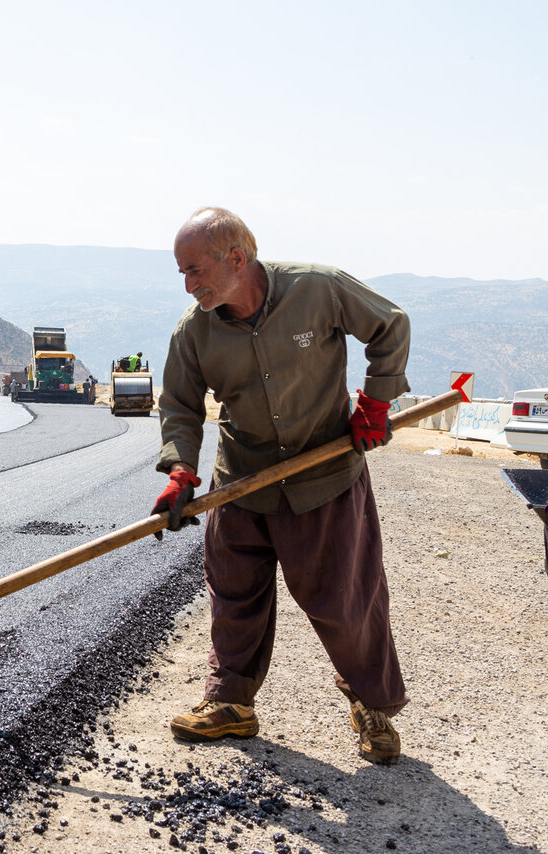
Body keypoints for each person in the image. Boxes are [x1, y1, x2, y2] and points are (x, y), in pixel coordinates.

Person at [151, 207, 410, 765]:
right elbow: (179, 406)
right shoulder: (194, 331)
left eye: (196, 270)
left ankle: (372, 706)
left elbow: (391, 324)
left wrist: (376, 402)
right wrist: (181, 471)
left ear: (236, 259)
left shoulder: (318, 289)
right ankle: (231, 704)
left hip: (324, 478)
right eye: (183, 274)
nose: (189, 284)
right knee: (234, 597)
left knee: (345, 600)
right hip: (241, 484)